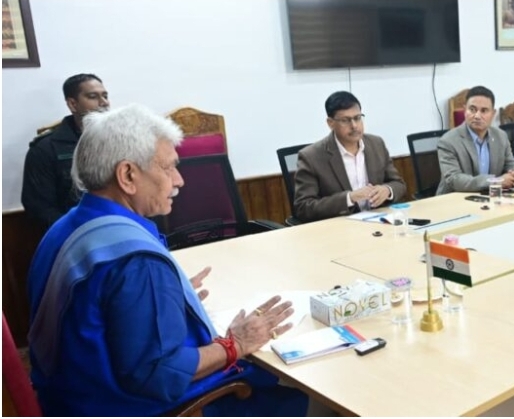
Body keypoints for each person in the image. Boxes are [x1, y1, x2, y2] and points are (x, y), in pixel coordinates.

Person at [26, 104, 308, 416]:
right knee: (304, 397)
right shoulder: (138, 262)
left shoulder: (63, 228)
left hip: (65, 398)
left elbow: (98, 308)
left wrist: (166, 297)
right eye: (169, 168)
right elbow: (159, 377)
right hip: (125, 407)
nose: (179, 180)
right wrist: (236, 344)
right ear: (128, 175)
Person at [294, 91, 406, 222]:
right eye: (345, 120)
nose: (354, 126)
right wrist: (349, 198)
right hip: (340, 227)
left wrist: (387, 190)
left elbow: (398, 184)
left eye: (357, 118)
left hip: (379, 222)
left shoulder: (376, 144)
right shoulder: (311, 157)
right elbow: (303, 207)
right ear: (330, 123)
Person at [22, 73, 110, 230]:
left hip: (123, 226)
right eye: (93, 97)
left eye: (105, 96)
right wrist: (78, 231)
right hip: (76, 233)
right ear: (73, 104)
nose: (104, 103)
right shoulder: (46, 149)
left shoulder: (120, 139)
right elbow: (39, 208)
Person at [436, 86, 514, 194]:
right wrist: (495, 181)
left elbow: (512, 165)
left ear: (493, 113)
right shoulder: (448, 141)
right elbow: (454, 180)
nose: (477, 116)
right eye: (472, 109)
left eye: (484, 111)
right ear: (465, 110)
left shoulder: (501, 136)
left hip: (490, 196)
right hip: (455, 198)